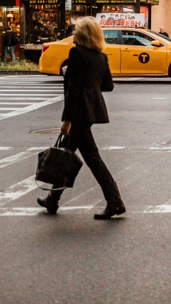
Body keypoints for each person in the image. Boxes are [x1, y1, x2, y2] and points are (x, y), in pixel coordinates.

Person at [37, 17, 126, 220]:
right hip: (91, 110)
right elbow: (107, 86)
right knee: (67, 153)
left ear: (82, 33)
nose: (74, 32)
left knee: (93, 158)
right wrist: (90, 82)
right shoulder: (100, 56)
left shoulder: (76, 53)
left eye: (77, 29)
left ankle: (115, 201)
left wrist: (67, 120)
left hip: (78, 113)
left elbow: (74, 90)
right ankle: (53, 199)